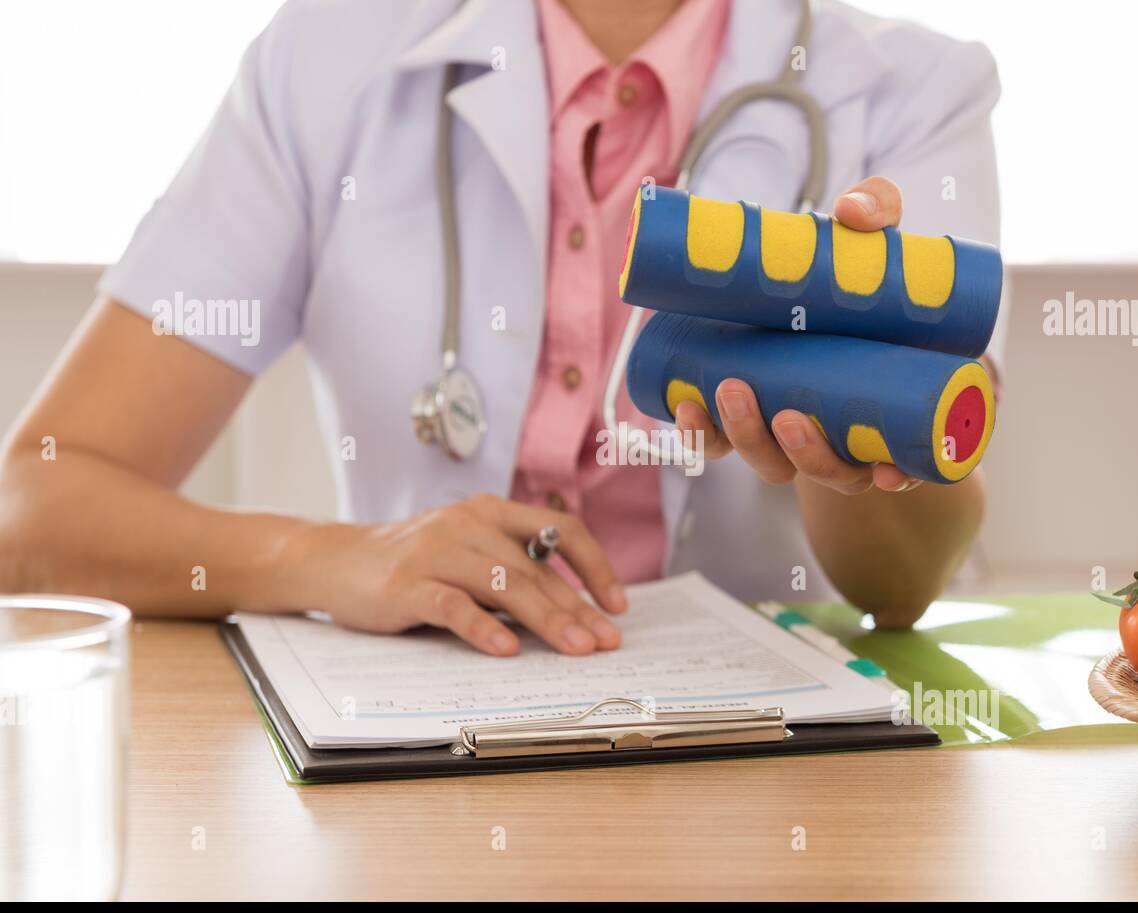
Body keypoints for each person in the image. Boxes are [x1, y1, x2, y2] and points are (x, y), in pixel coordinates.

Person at [0, 0, 1004, 656]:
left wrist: (847, 433)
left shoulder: (909, 90)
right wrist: (327, 556)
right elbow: (32, 508)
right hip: (414, 755)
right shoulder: (325, 59)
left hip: (771, 785)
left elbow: (906, 584)